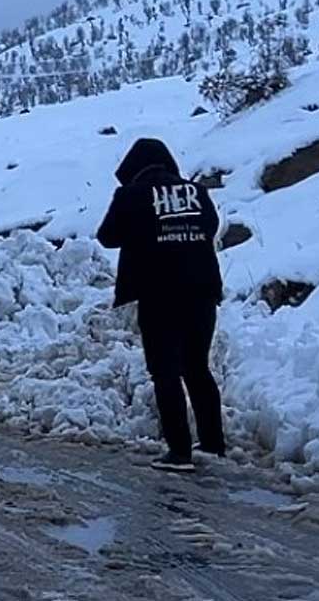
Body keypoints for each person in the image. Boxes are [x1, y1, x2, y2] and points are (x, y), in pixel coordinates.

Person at [94, 137, 225, 472]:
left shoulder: (132, 195)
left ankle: (179, 452)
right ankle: (212, 443)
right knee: (196, 367)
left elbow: (108, 236)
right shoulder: (197, 192)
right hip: (202, 290)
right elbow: (211, 227)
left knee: (164, 369)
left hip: (160, 294)